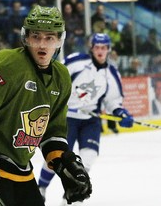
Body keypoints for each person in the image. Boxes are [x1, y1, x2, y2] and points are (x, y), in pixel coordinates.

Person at [0, 5, 92, 206]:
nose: (42, 45)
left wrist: (64, 163)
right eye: (36, 36)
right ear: (26, 38)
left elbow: (52, 132)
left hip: (19, 167)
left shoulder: (61, 77)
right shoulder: (8, 64)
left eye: (49, 38)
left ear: (59, 40)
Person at [38, 33, 134, 205]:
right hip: (67, 117)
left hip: (90, 120)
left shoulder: (111, 73)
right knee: (57, 157)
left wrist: (120, 112)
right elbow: (55, 77)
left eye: (103, 48)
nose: (100, 51)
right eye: (97, 47)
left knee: (88, 158)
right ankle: (41, 188)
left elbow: (113, 101)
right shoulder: (76, 62)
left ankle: (72, 195)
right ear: (92, 48)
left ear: (108, 50)